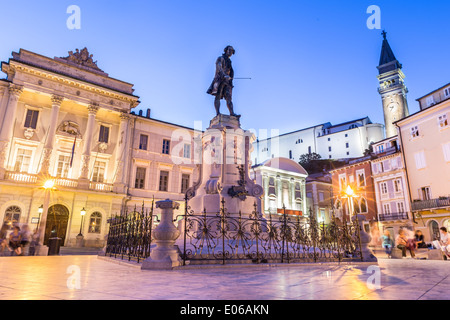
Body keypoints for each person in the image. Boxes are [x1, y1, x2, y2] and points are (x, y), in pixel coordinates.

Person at [207, 45, 239, 117]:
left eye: (232, 51)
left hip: (227, 82)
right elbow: (219, 68)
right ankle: (218, 113)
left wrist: (231, 79)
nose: (230, 52)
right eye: (229, 50)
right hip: (219, 80)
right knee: (218, 96)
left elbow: (231, 71)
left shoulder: (230, 62)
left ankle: (232, 113)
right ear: (226, 50)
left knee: (229, 98)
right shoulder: (220, 58)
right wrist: (224, 75)